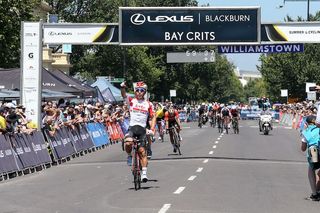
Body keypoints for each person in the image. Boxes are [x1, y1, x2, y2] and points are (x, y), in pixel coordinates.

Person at [120, 81, 156, 182]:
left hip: (142, 129)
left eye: (141, 90)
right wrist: (122, 87)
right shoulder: (131, 100)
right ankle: (129, 156)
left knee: (142, 152)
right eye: (137, 90)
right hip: (132, 128)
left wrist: (152, 129)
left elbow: (153, 117)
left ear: (144, 92)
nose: (139, 92)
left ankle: (144, 174)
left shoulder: (148, 104)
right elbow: (123, 95)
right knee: (128, 143)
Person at [301, 115, 320, 201]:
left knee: (311, 170)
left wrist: (305, 130)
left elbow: (303, 148)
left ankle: (314, 194)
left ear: (307, 123)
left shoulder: (306, 131)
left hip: (314, 153)